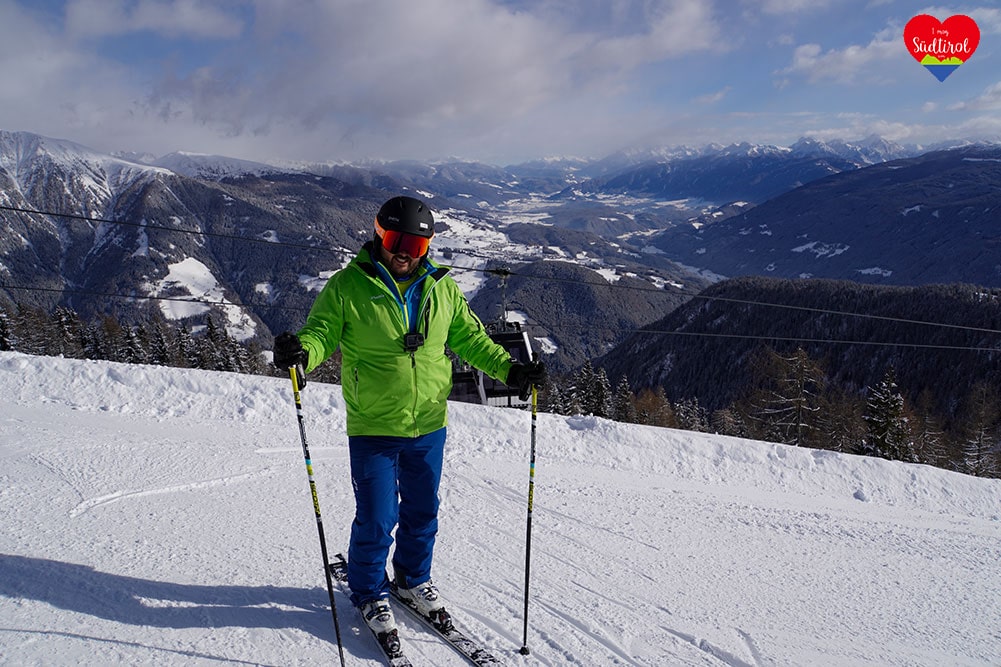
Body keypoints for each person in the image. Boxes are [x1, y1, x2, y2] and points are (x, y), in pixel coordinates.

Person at [273, 195, 546, 643]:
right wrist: (302, 352)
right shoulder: (347, 287)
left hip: (428, 425)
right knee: (378, 517)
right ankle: (368, 590)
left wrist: (511, 371)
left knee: (422, 512)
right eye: (397, 240)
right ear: (379, 235)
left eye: (416, 246)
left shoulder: (442, 289)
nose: (405, 252)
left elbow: (472, 340)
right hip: (373, 426)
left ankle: (412, 580)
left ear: (428, 248)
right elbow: (322, 333)